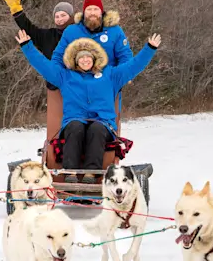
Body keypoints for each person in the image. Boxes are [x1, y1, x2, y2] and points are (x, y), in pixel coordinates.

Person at [14, 29, 161, 184]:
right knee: (75, 127)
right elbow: (43, 65)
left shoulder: (110, 75)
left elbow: (133, 66)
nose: (85, 60)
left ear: (94, 59)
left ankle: (92, 173)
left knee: (96, 129)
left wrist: (149, 49)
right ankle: (69, 172)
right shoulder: (65, 76)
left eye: (88, 57)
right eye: (81, 58)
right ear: (76, 60)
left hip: (103, 122)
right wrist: (27, 45)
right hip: (74, 119)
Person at [2, 0, 74, 90]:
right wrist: (17, 11)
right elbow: (29, 29)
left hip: (78, 89)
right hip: (54, 89)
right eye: (57, 16)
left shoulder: (79, 33)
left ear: (71, 16)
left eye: (63, 15)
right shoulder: (47, 36)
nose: (60, 19)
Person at [50, 0, 133, 71]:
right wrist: (56, 74)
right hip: (77, 82)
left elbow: (125, 56)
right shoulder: (71, 31)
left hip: (107, 82)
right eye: (89, 9)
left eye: (96, 9)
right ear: (84, 12)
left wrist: (120, 77)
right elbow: (58, 56)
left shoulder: (115, 31)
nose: (92, 13)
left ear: (101, 12)